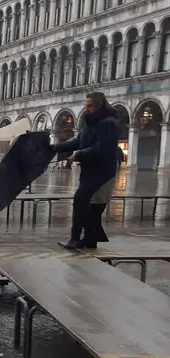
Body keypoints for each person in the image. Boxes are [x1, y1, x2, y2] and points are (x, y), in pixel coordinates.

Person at [51, 92, 120, 249]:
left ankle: (77, 238)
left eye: (90, 106)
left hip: (102, 171)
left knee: (81, 200)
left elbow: (103, 148)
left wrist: (78, 155)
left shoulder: (108, 123)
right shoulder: (92, 123)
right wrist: (56, 147)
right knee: (85, 204)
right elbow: (78, 141)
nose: (87, 109)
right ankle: (88, 238)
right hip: (90, 170)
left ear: (100, 105)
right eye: (86, 106)